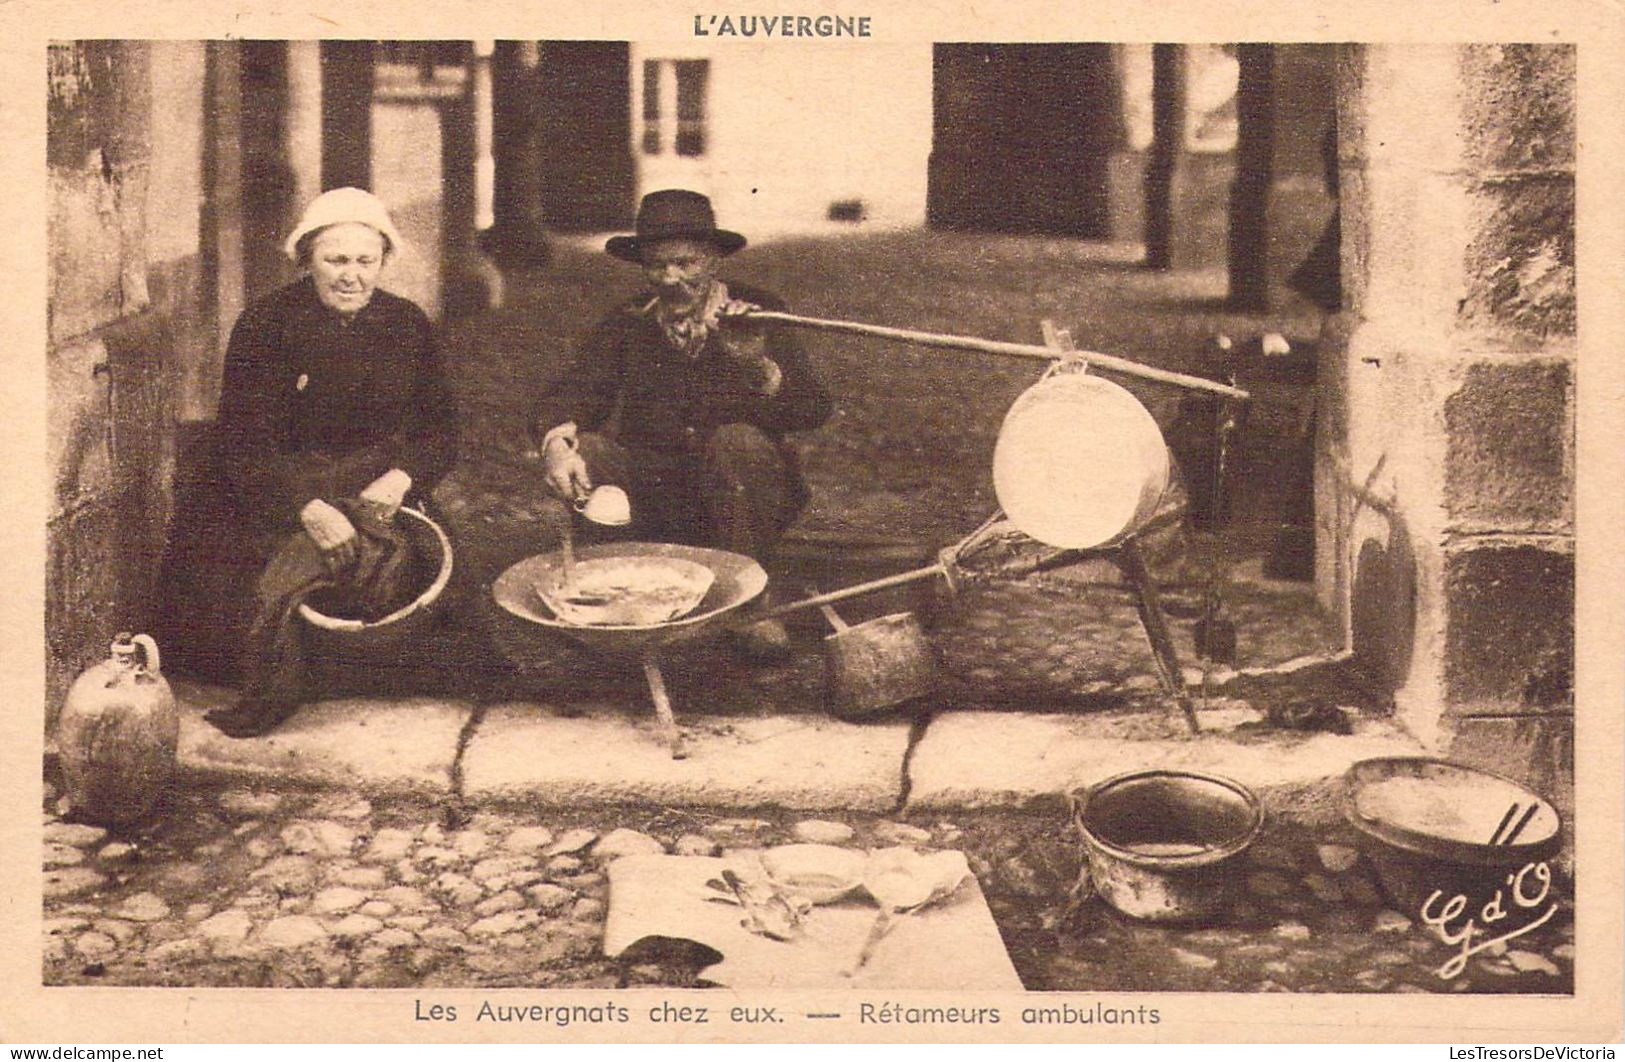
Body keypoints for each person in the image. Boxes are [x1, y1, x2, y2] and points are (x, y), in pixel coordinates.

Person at [160, 187, 457, 732]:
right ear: (308, 261)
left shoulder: (408, 324)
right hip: (277, 487)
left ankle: (357, 662)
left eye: (366, 261)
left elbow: (440, 431)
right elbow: (243, 442)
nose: (351, 276)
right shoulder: (267, 323)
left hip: (375, 488)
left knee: (433, 602)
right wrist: (307, 506)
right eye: (335, 260)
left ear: (384, 262)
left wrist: (402, 477)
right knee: (254, 603)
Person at [532, 189, 833, 658]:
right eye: (657, 266)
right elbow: (574, 393)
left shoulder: (758, 313)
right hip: (655, 496)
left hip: (741, 497)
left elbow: (812, 408)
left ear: (713, 260)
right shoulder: (629, 322)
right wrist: (557, 445)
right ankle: (613, 606)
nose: (670, 278)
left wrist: (757, 366)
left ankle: (750, 605)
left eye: (686, 264)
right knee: (589, 450)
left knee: (739, 442)